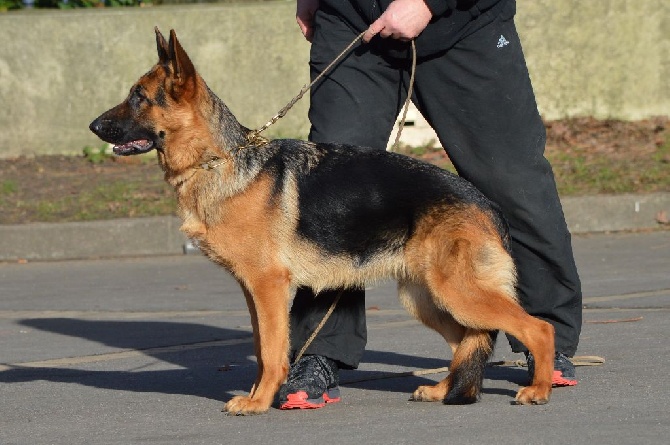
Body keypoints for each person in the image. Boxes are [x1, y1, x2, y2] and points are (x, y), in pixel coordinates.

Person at [278, 0, 582, 410]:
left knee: (512, 180)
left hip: (463, 25)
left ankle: (548, 337)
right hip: (353, 21)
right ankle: (318, 351)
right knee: (334, 192)